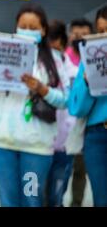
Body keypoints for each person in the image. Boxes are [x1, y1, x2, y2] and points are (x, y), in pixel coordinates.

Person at [0, 3, 69, 207]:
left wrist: (42, 89)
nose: (27, 30)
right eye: (23, 26)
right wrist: (2, 79)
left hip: (36, 146)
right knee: (8, 201)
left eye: (33, 27)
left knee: (31, 199)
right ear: (16, 26)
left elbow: (66, 99)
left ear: (43, 30)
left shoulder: (55, 60)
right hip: (3, 142)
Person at [68, 6, 107, 207]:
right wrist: (86, 83)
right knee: (101, 199)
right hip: (97, 136)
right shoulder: (88, 60)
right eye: (101, 31)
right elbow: (76, 109)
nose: (105, 36)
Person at [45, 20, 86, 206]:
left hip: (64, 144)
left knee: (56, 196)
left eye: (54, 43)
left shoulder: (76, 73)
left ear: (62, 43)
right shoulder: (36, 70)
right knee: (33, 193)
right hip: (37, 144)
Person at [64, 18, 93, 207]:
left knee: (80, 171)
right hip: (62, 127)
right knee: (61, 170)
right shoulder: (62, 57)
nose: (79, 37)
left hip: (84, 125)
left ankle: (76, 203)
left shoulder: (93, 59)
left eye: (84, 34)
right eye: (75, 33)